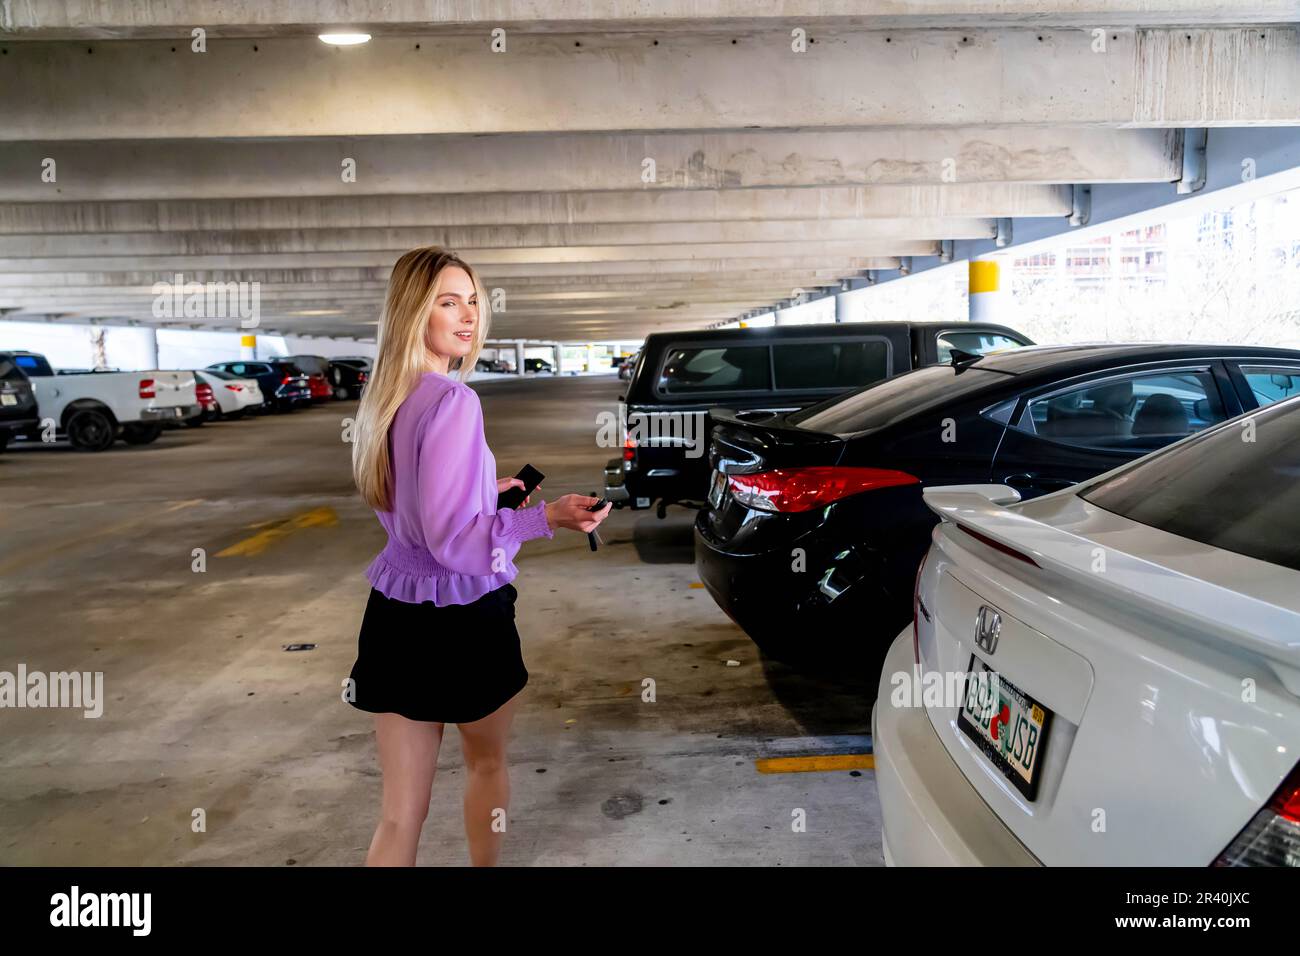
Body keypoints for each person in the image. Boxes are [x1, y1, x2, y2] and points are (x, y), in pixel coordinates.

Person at [347, 246, 612, 866]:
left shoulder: (383, 400)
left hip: (394, 613)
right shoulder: (453, 400)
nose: (467, 317)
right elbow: (456, 544)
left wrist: (486, 492)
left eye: (472, 301)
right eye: (447, 302)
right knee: (486, 765)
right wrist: (544, 516)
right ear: (413, 313)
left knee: (398, 814)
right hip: (465, 619)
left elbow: (415, 504)